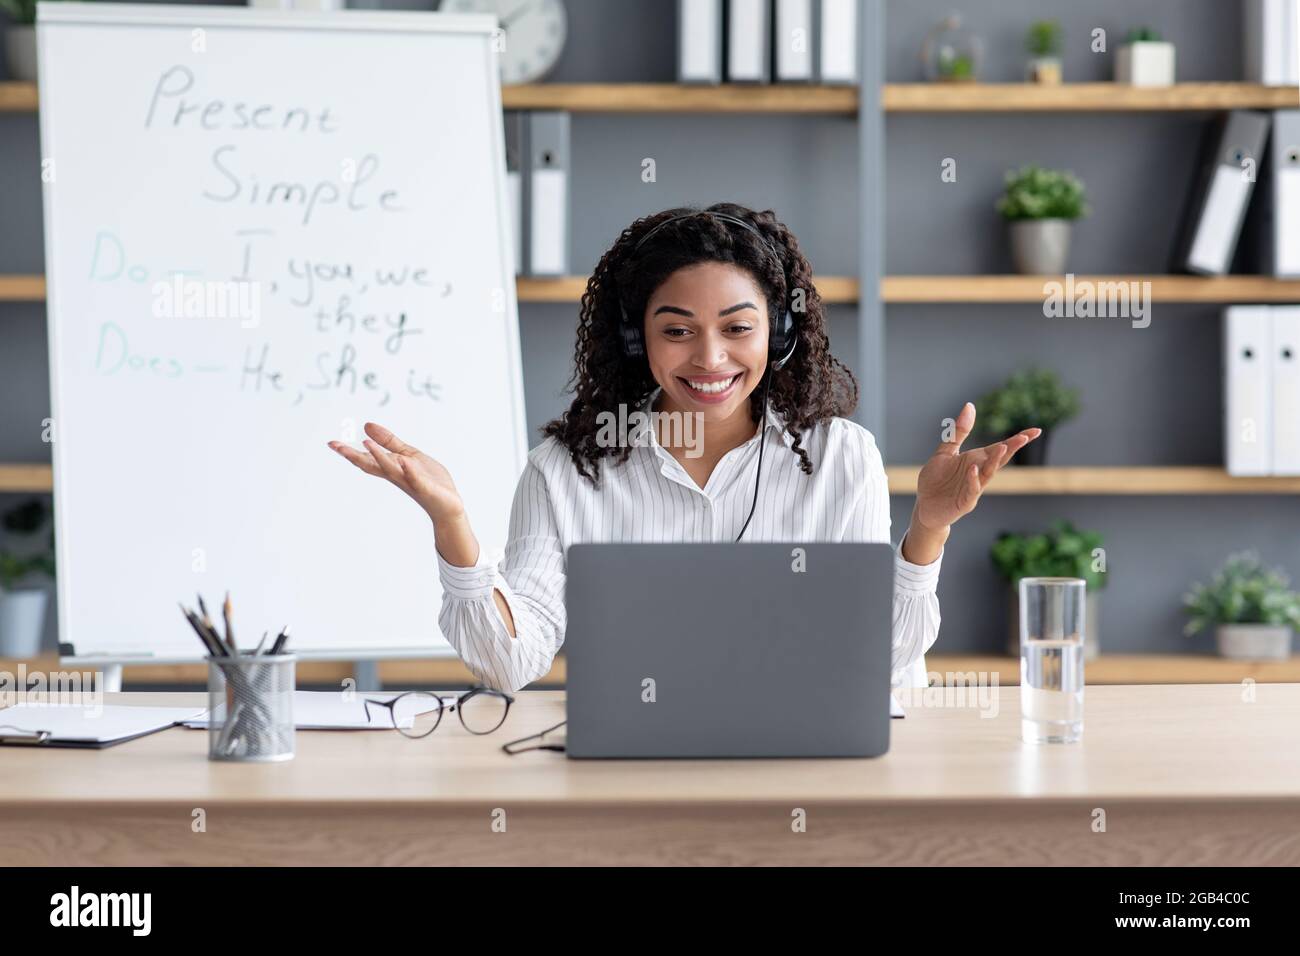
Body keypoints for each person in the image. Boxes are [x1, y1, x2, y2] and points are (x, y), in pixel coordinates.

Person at [329, 203, 1039, 692]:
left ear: (778, 335)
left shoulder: (840, 457)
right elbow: (509, 664)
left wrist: (927, 531)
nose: (710, 359)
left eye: (737, 329)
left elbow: (881, 655)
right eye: (677, 330)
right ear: (638, 340)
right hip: (647, 768)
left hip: (826, 767)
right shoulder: (568, 471)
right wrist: (453, 526)